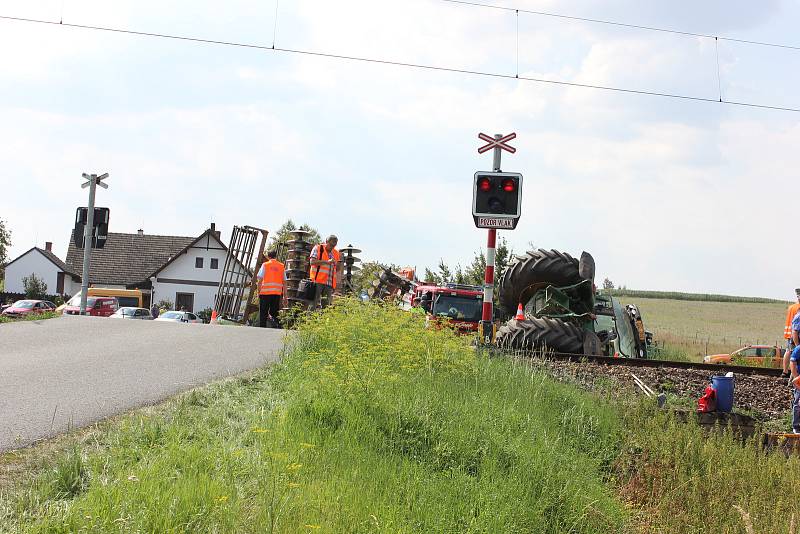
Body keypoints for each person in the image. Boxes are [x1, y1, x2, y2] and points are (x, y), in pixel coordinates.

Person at [309, 235, 341, 310]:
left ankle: (324, 322)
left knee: (326, 307)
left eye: (334, 245)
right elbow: (312, 262)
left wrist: (338, 265)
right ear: (326, 242)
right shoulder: (318, 248)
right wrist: (327, 262)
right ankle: (309, 321)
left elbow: (337, 269)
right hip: (317, 282)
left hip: (329, 284)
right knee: (313, 304)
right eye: (331, 244)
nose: (332, 247)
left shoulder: (336, 253)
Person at [257, 249, 285, 328]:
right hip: (276, 294)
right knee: (275, 313)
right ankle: (277, 328)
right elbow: (285, 282)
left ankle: (262, 329)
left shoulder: (265, 265)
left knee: (263, 313)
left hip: (265, 293)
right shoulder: (281, 266)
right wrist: (285, 297)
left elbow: (260, 280)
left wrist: (259, 292)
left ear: (268, 257)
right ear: (276, 256)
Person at [782, 289, 800, 378]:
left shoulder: (791, 307)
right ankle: (794, 373)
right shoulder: (798, 308)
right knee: (795, 352)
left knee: (788, 351)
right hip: (795, 334)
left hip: (790, 333)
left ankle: (785, 371)